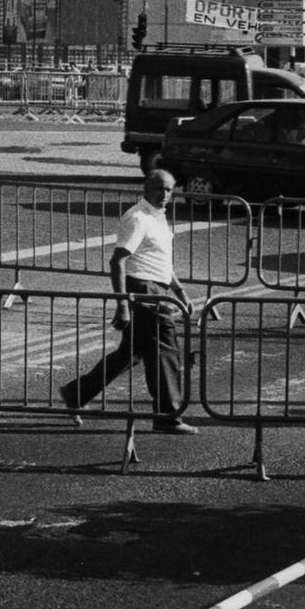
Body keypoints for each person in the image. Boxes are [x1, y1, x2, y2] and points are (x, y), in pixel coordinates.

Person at [59, 169, 196, 434]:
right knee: (165, 353)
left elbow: (161, 262)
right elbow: (118, 261)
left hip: (156, 288)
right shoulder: (138, 218)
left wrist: (180, 293)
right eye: (158, 188)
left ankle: (76, 394)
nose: (164, 195)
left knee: (130, 354)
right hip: (143, 291)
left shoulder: (157, 217)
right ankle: (168, 417)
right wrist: (123, 305)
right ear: (146, 188)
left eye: (168, 190)